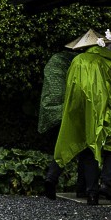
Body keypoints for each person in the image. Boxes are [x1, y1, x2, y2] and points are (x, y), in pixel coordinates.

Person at [48, 29, 111, 205]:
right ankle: (104, 184)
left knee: (75, 143)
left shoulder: (76, 61)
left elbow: (71, 85)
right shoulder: (106, 63)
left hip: (79, 110)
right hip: (106, 110)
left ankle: (53, 178)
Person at [36, 45, 74, 199]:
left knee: (62, 147)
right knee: (85, 150)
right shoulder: (78, 63)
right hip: (73, 110)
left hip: (55, 110)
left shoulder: (54, 61)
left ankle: (51, 177)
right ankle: (86, 188)